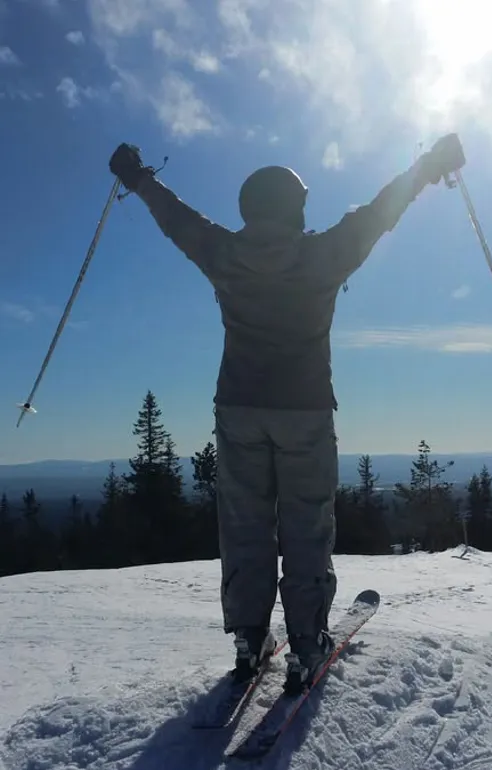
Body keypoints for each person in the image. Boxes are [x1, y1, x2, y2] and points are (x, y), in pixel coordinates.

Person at [108, 134, 465, 694]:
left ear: (250, 209)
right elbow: (380, 211)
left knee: (245, 525)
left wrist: (138, 178)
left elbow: (177, 219)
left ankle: (250, 640)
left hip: (239, 407)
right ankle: (306, 643)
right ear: (296, 208)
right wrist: (428, 165)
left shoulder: (224, 253)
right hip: (304, 410)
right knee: (305, 525)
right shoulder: (324, 254)